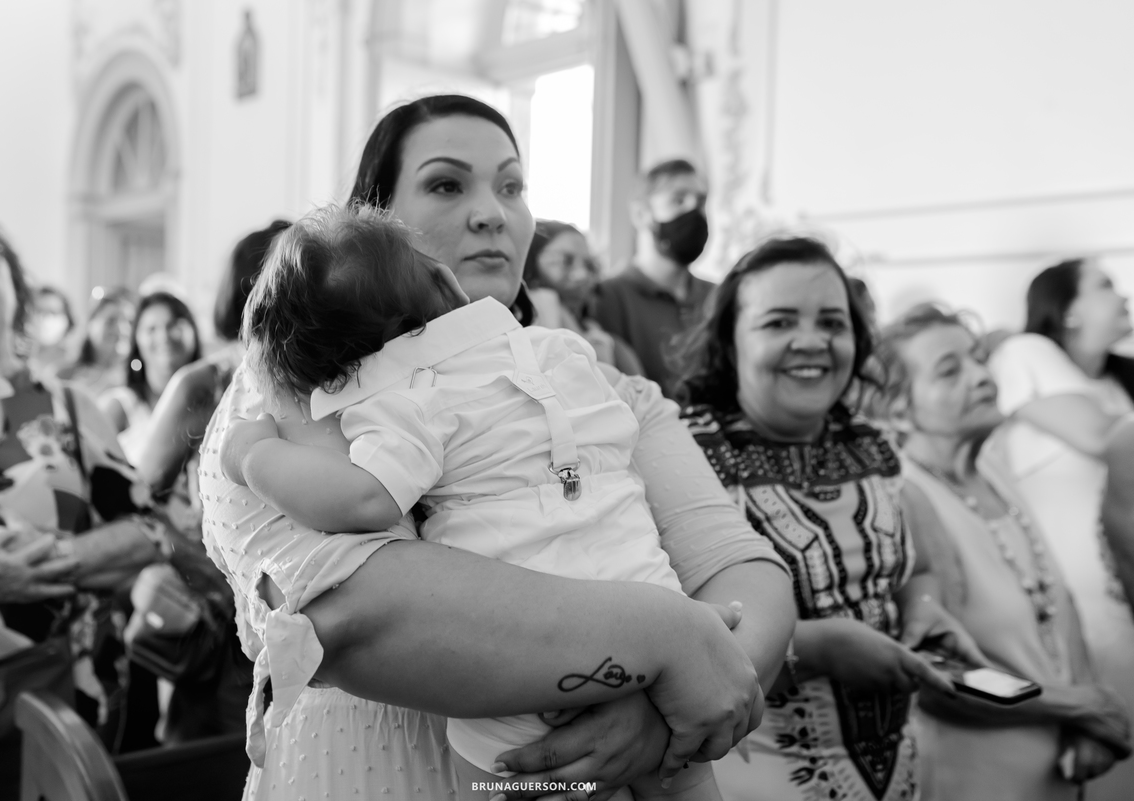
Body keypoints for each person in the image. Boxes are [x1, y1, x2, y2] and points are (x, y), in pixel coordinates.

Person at [199, 94, 795, 801]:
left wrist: (667, 712)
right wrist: (670, 645)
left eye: (512, 186)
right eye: (448, 184)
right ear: (373, 218)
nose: (493, 213)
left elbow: (744, 573)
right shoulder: (283, 402)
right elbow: (366, 616)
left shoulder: (588, 377)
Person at [674, 236, 984, 801]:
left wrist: (925, 612)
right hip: (750, 775)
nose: (812, 341)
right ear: (731, 341)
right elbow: (672, 628)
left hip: (899, 773)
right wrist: (814, 648)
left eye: (833, 323)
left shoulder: (873, 445)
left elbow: (917, 569)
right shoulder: (682, 453)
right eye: (779, 322)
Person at [0, 198, 165, 799]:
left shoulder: (68, 406)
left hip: (74, 694)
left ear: (13, 281)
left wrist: (43, 566)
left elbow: (148, 532)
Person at [874, 303, 1131, 800]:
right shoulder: (907, 497)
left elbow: (1059, 610)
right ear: (899, 409)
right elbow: (940, 672)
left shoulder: (992, 471)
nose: (979, 376)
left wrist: (1086, 712)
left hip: (1058, 771)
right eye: (950, 371)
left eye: (976, 358)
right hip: (977, 778)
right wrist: (1074, 706)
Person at [128, 221, 287, 744]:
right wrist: (202, 565)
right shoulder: (208, 381)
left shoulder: (332, 378)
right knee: (207, 760)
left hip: (304, 629)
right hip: (223, 623)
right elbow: (135, 496)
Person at [988, 258, 1134, 801]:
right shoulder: (1026, 354)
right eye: (1105, 286)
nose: (1123, 297)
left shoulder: (1119, 384)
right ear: (1068, 309)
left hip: (1122, 602)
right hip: (1072, 619)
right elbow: (1099, 437)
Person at [593, 159, 713, 392]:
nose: (694, 211)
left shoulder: (717, 296)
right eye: (678, 200)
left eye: (700, 202)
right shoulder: (607, 296)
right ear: (641, 214)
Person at [523, 219, 644, 376]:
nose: (582, 275)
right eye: (565, 261)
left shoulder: (608, 345)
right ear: (529, 261)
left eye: (589, 265)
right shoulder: (514, 333)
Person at [99, 291, 202, 469]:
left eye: (173, 325)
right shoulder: (119, 407)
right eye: (151, 329)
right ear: (136, 340)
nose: (164, 337)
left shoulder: (216, 403)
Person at [59, 286, 135, 399]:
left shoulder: (137, 379)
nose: (122, 329)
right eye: (111, 321)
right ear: (90, 324)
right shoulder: (66, 376)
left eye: (129, 322)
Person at [28, 284, 76, 379]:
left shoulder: (76, 367)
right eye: (39, 311)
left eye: (53, 312)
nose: (45, 318)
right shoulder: (20, 365)